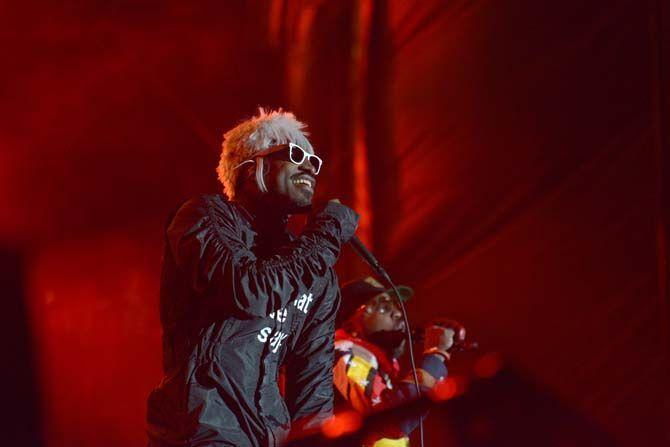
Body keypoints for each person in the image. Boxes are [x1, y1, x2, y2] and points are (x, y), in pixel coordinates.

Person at [146, 108, 359, 447]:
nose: (309, 167)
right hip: (204, 431)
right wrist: (327, 233)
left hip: (269, 437)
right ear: (251, 168)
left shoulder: (316, 274)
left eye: (313, 161)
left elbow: (313, 397)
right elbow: (250, 290)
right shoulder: (202, 217)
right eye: (294, 154)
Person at [333, 277, 465, 446]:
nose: (398, 314)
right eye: (384, 307)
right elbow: (390, 420)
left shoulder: (377, 364)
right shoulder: (343, 351)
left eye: (396, 306)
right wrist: (435, 356)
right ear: (351, 326)